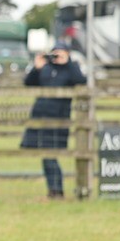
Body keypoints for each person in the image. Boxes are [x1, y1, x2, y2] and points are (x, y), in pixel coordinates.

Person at [20, 42, 86, 199]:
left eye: (60, 53)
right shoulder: (45, 68)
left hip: (59, 117)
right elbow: (29, 82)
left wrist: (68, 63)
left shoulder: (71, 69)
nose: (56, 56)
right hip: (40, 115)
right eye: (54, 53)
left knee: (50, 154)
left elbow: (81, 81)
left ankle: (56, 190)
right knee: (46, 154)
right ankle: (54, 190)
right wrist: (36, 67)